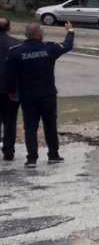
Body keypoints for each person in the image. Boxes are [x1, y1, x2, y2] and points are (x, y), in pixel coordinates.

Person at [5, 22, 74, 167]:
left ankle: (31, 159)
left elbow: (9, 75)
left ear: (26, 35)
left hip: (27, 96)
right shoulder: (49, 48)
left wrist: (11, 92)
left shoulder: (16, 52)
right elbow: (67, 46)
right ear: (40, 35)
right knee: (50, 125)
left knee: (30, 127)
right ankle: (53, 155)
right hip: (47, 94)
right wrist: (70, 31)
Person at [0, 18, 21, 162]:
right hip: (10, 89)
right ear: (8, 28)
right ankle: (8, 152)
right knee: (10, 121)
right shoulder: (16, 44)